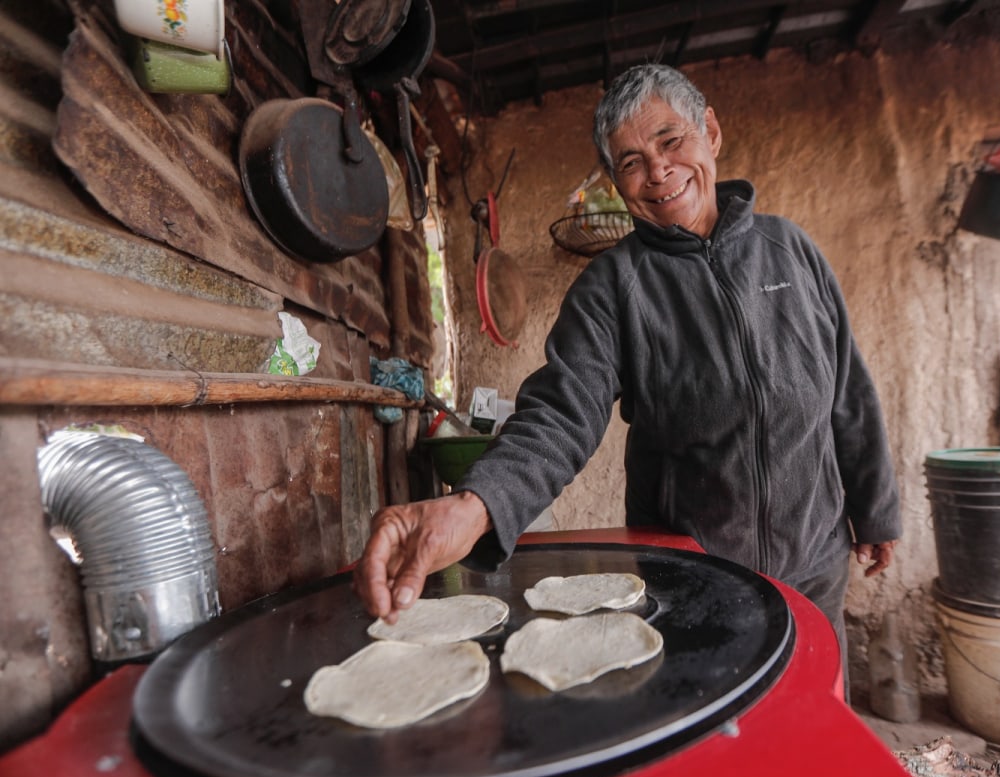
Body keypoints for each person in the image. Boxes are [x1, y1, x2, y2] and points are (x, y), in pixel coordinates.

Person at [355, 63, 901, 691]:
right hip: (697, 576)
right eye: (632, 162)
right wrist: (474, 507)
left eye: (672, 142)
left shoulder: (791, 251)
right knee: (709, 745)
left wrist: (876, 508)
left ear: (711, 133)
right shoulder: (614, 288)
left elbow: (847, 391)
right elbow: (561, 413)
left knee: (817, 736)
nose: (659, 172)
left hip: (817, 560)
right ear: (617, 181)